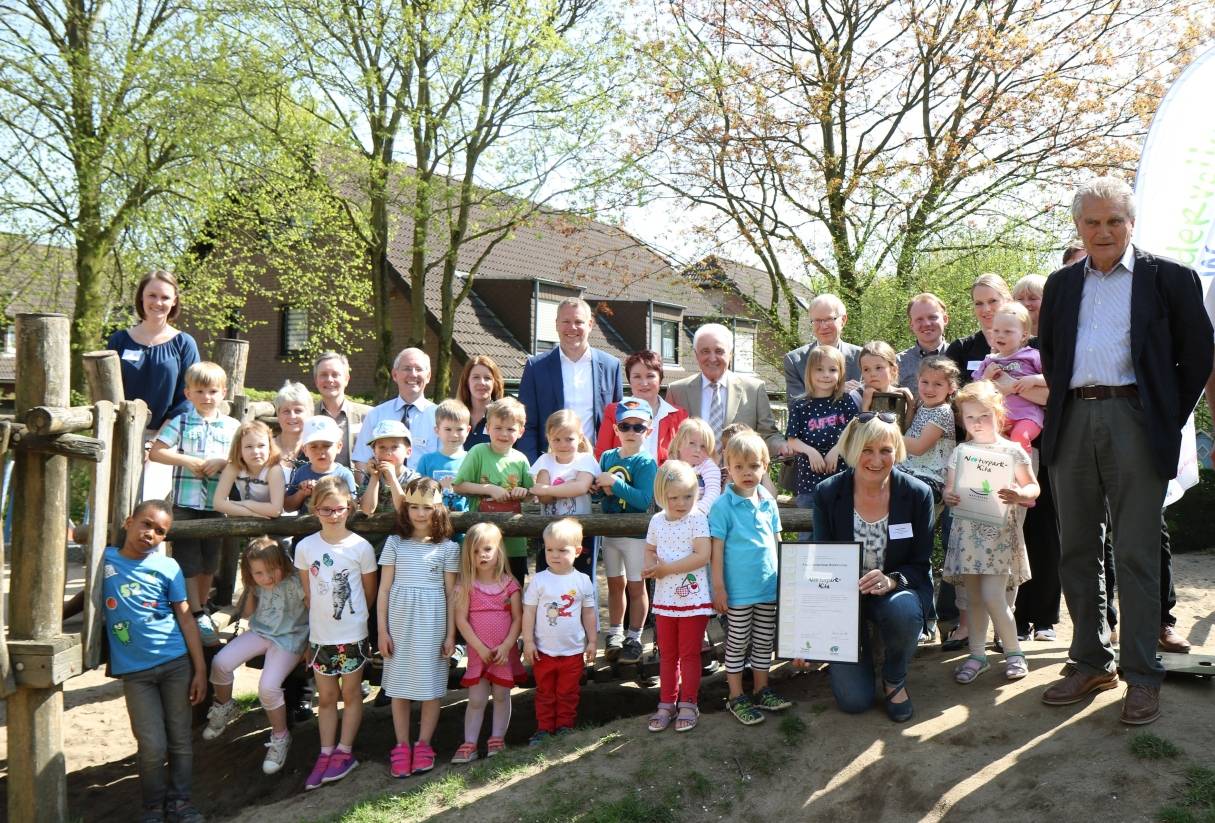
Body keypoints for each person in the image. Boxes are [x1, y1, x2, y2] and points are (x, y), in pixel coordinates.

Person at [1038, 177, 1213, 725]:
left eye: (1114, 220)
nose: (1103, 230)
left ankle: (1142, 673)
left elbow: (1198, 356)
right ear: (1078, 227)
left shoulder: (1170, 278)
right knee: (1076, 550)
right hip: (1071, 421)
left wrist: (1160, 418)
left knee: (1135, 552)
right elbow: (1051, 353)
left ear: (1131, 222)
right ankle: (1089, 660)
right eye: (1092, 222)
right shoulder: (1062, 284)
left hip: (1135, 419)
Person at [806, 413, 934, 722]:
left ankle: (894, 677)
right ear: (852, 449)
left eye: (885, 450)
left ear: (897, 451)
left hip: (893, 594)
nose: (876, 459)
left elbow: (920, 563)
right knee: (854, 701)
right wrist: (807, 632)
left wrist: (892, 580)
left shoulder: (918, 494)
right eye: (867, 449)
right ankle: (855, 654)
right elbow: (821, 559)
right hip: (842, 599)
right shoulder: (828, 493)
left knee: (904, 610)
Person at [104, 501, 207, 823]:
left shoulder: (168, 567)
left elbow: (186, 619)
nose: (150, 533)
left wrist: (199, 669)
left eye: (160, 531)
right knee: (151, 745)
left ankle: (180, 802)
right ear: (128, 521)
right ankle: (153, 807)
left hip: (176, 663)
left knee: (179, 740)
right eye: (146, 524)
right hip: (135, 673)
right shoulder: (104, 561)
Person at [943, 381, 1039, 684]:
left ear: (998, 414)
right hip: (967, 534)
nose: (977, 423)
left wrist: (1019, 492)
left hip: (997, 537)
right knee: (972, 599)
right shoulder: (961, 451)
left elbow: (1033, 487)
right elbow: (949, 488)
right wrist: (949, 496)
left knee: (994, 596)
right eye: (970, 418)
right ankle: (977, 655)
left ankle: (1014, 652)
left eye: (983, 416)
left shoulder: (1011, 450)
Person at [295, 477, 378, 790]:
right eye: (325, 510)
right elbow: (308, 594)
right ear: (315, 509)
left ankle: (345, 751)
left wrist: (354, 621)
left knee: (351, 693)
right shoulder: (305, 548)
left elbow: (368, 592)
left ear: (350, 507)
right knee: (326, 697)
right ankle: (326, 752)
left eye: (339, 509)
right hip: (320, 636)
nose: (333, 515)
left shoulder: (360, 547)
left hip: (352, 634)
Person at [149, 361, 239, 645]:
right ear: (188, 393)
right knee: (187, 559)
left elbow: (243, 460)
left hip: (216, 503)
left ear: (223, 392)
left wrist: (222, 462)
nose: (207, 397)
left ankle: (202, 606)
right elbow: (157, 452)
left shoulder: (232, 426)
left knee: (209, 560)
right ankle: (194, 610)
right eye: (200, 391)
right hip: (186, 502)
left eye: (212, 391)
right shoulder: (182, 422)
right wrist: (186, 460)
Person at [202, 537, 307, 774]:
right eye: (259, 573)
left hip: (290, 638)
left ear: (283, 562)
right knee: (220, 662)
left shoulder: (297, 582)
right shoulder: (256, 584)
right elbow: (249, 615)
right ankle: (225, 706)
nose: (267, 578)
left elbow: (312, 610)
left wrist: (310, 644)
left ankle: (281, 737)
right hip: (261, 632)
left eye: (272, 571)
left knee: (268, 687)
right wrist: (251, 587)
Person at [376, 478, 459, 778]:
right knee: (398, 688)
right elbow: (383, 590)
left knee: (430, 688)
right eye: (414, 507)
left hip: (433, 624)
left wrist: (451, 635)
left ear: (439, 509)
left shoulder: (449, 549)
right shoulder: (395, 544)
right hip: (399, 624)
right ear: (405, 509)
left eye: (427, 507)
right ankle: (401, 745)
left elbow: (452, 594)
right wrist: (382, 632)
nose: (420, 514)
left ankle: (423, 743)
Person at [709, 431, 792, 725]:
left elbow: (778, 542)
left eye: (754, 466)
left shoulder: (768, 502)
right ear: (728, 467)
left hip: (767, 587)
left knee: (763, 640)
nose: (747, 473)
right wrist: (718, 587)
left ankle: (761, 689)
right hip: (738, 591)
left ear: (765, 466)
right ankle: (735, 695)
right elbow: (716, 551)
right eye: (739, 466)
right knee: (737, 641)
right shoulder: (722, 507)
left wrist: (787, 579)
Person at [108, 270, 201, 508]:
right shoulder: (119, 340)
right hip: (120, 436)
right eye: (152, 295)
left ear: (174, 301)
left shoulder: (184, 343)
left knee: (150, 512)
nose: (158, 303)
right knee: (111, 507)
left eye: (165, 297)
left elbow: (187, 398)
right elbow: (107, 389)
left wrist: (156, 443)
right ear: (141, 298)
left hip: (164, 441)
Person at [643, 460, 713, 733]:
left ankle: (689, 702)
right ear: (662, 495)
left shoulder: (697, 519)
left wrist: (665, 569)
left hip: (692, 601)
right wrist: (649, 565)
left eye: (688, 496)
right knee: (668, 654)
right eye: (674, 497)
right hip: (664, 601)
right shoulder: (656, 521)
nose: (681, 502)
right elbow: (649, 549)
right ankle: (666, 702)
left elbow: (702, 555)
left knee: (689, 653)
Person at [518, 297, 625, 461]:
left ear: (590, 325)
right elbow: (527, 424)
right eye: (566, 321)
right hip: (550, 469)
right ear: (556, 324)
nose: (572, 327)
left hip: (597, 468)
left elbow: (617, 423)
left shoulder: (611, 365)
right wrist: (533, 468)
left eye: (578, 322)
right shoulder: (536, 367)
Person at [594, 400, 659, 665]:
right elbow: (600, 491)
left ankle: (635, 636)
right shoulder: (607, 457)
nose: (631, 431)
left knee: (635, 586)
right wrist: (599, 487)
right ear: (616, 428)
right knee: (614, 584)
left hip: (635, 536)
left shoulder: (646, 462)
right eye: (625, 426)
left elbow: (644, 500)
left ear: (648, 431)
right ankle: (615, 632)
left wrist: (615, 484)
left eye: (638, 426)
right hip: (610, 533)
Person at [521, 518, 597, 745]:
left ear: (577, 551)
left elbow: (589, 614)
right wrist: (528, 642)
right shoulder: (539, 580)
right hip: (543, 651)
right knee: (544, 692)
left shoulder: (583, 581)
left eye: (562, 550)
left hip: (573, 651)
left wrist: (592, 641)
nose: (554, 555)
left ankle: (565, 727)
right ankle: (544, 728)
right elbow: (529, 612)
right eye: (549, 549)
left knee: (568, 692)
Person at [451, 523, 522, 763]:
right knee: (477, 699)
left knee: (502, 695)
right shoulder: (465, 586)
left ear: (498, 551)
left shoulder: (509, 584)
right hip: (478, 653)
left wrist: (506, 646)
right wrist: (479, 648)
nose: (482, 555)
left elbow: (518, 619)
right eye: (475, 551)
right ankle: (469, 743)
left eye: (487, 549)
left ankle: (497, 738)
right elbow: (461, 620)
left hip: (503, 653)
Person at [666, 323, 786, 456]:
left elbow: (768, 435)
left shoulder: (754, 390)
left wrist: (782, 446)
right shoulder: (677, 391)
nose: (712, 358)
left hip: (740, 475)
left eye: (719, 351)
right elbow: (669, 440)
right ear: (696, 355)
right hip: (692, 475)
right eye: (705, 351)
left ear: (730, 354)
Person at [454, 397, 535, 584]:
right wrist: (489, 489)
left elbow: (531, 494)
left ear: (521, 432)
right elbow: (459, 485)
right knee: (479, 591)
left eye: (510, 429)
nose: (504, 434)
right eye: (498, 428)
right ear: (488, 428)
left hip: (513, 542)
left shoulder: (521, 459)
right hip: (481, 542)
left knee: (513, 591)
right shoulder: (478, 452)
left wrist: (523, 492)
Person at [785, 345, 858, 512]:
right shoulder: (800, 405)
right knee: (809, 530)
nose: (826, 375)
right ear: (809, 372)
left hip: (842, 478)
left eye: (832, 369)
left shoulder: (845, 401)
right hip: (809, 482)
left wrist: (837, 449)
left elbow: (855, 431)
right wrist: (811, 452)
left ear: (840, 374)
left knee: (841, 529)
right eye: (819, 369)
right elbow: (792, 439)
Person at [531, 409, 600, 577]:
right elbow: (544, 498)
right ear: (548, 438)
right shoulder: (544, 461)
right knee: (547, 576)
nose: (563, 444)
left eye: (569, 439)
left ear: (580, 437)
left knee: (582, 578)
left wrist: (549, 489)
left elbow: (581, 488)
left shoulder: (586, 460)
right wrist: (568, 486)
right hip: (549, 534)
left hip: (581, 533)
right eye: (557, 439)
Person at [974, 302, 1047, 455]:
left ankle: (1021, 470)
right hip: (999, 418)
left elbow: (1051, 378)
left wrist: (1034, 379)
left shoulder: (1031, 355)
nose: (1000, 335)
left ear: (1024, 335)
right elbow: (975, 391)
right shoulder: (989, 361)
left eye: (1008, 331)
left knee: (1019, 436)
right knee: (990, 445)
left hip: (1027, 415)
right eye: (996, 331)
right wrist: (986, 377)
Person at [353, 348, 438, 472]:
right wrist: (368, 490)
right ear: (394, 375)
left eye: (419, 369)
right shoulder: (376, 415)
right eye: (407, 368)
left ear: (428, 376)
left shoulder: (440, 417)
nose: (413, 374)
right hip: (382, 489)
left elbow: (446, 462)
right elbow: (362, 461)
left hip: (425, 489)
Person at [596, 350, 687, 462]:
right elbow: (601, 456)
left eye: (650, 376)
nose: (644, 383)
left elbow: (685, 460)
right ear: (629, 381)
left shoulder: (679, 415)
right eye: (637, 377)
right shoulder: (613, 411)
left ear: (660, 379)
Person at [783, 293, 863, 400]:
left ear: (843, 320)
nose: (823, 326)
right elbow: (795, 405)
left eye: (829, 319)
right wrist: (838, 392)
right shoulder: (795, 361)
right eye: (817, 321)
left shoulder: (862, 358)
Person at [901, 357, 959, 502]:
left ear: (951, 388)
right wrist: (911, 407)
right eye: (924, 382)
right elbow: (909, 429)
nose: (929, 389)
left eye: (938, 384)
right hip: (909, 468)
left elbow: (919, 447)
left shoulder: (942, 412)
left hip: (930, 476)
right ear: (918, 380)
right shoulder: (922, 404)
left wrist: (888, 435)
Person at [212, 421, 285, 520]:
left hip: (274, 523)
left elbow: (275, 510)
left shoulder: (274, 470)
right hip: (250, 516)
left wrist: (245, 504)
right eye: (249, 447)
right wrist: (251, 514)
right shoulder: (234, 467)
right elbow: (218, 503)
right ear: (239, 450)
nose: (255, 452)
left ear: (270, 448)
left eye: (261, 446)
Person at [284, 416, 357, 514]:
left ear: (339, 447)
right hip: (306, 528)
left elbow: (353, 507)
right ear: (305, 450)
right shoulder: (301, 472)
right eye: (313, 446)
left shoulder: (344, 474)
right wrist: (301, 493)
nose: (320, 451)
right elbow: (288, 507)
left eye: (326, 445)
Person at [313, 352, 370, 468]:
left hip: (357, 484)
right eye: (323, 375)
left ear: (346, 379)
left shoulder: (368, 416)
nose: (329, 379)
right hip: (316, 484)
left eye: (335, 374)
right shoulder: (308, 416)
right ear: (316, 380)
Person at [417, 399, 471, 514]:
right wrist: (440, 485)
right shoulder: (426, 460)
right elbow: (418, 493)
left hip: (464, 523)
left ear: (468, 430)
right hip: (432, 522)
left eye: (459, 429)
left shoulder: (472, 460)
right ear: (437, 430)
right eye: (448, 429)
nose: (454, 434)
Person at [356, 420, 418, 517]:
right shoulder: (370, 475)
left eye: (394, 447)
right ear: (374, 451)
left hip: (403, 530)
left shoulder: (413, 478)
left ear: (408, 452)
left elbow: (405, 510)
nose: (388, 452)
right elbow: (367, 509)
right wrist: (374, 478)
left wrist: (392, 479)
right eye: (382, 447)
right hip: (375, 530)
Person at [898, 294, 950, 400]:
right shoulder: (896, 364)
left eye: (932, 317)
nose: (926, 323)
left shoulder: (960, 356)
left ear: (945, 319)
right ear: (911, 325)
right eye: (919, 319)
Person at [668, 417, 720, 515]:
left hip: (699, 515)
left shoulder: (708, 466)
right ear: (678, 444)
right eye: (692, 443)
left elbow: (713, 491)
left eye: (703, 446)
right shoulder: (670, 466)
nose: (698, 450)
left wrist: (699, 510)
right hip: (673, 514)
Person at [455, 355, 505, 450]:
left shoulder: (503, 418)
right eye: (476, 377)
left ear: (495, 383)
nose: (482, 382)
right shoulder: (454, 416)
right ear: (467, 382)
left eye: (487, 378)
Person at [720, 423, 777, 498]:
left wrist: (763, 469)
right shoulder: (720, 475)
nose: (746, 472)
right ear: (725, 453)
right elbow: (722, 500)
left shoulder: (755, 473)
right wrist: (730, 475)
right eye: (739, 466)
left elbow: (771, 497)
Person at [273, 381, 313, 474]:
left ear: (309, 413)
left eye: (298, 410)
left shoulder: (316, 450)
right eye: (286, 411)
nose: (292, 416)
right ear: (278, 414)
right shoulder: (265, 447)